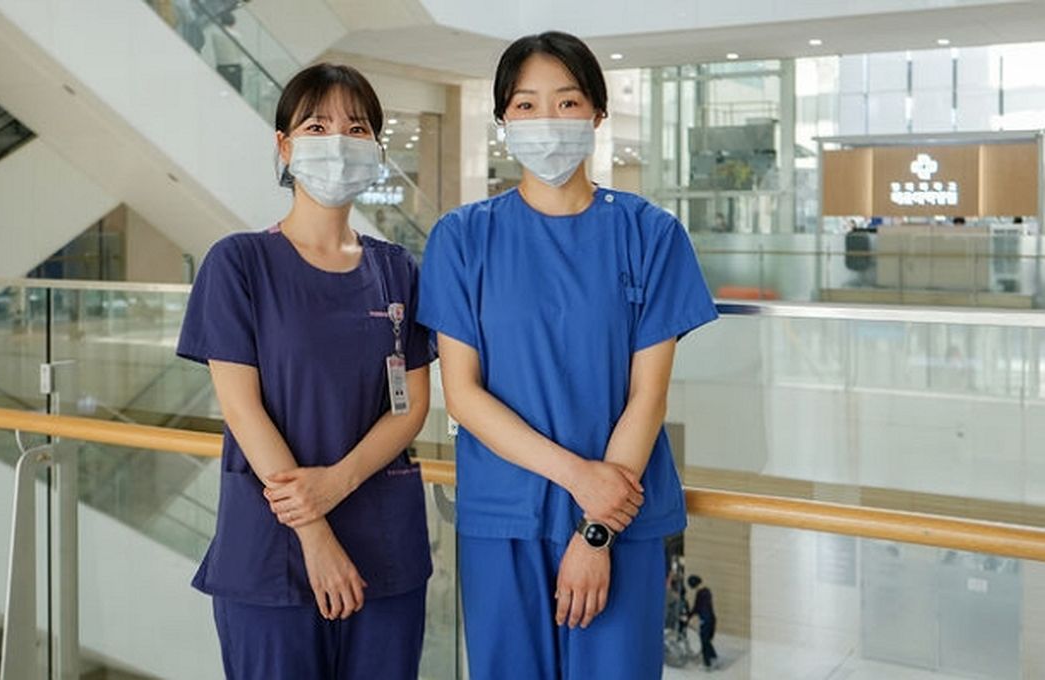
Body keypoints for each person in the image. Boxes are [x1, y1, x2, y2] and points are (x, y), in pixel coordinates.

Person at [418, 31, 718, 680]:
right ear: (503, 120)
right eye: (525, 105)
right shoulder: (461, 239)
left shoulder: (650, 235)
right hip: (504, 519)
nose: (546, 119)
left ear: (597, 114)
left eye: (567, 101)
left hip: (620, 520)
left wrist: (595, 529)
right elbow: (463, 396)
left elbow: (648, 396)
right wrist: (580, 479)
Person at [176, 62, 434, 680]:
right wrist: (314, 532)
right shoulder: (239, 263)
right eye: (317, 126)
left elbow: (411, 407)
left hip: (385, 547)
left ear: (376, 149)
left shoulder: (397, 270)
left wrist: (336, 483)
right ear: (285, 146)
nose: (338, 141)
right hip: (275, 552)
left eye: (357, 128)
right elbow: (242, 410)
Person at [686, 575, 718, 671]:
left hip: (706, 620)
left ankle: (708, 663)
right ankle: (713, 657)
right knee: (706, 640)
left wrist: (688, 616)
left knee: (704, 641)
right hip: (711, 618)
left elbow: (697, 607)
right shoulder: (707, 591)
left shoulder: (700, 594)